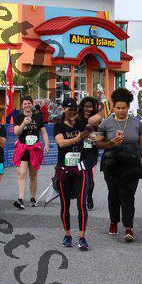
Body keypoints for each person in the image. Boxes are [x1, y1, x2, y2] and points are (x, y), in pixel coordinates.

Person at [96, 88, 142, 242]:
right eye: (117, 108)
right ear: (113, 107)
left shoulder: (136, 123)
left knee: (128, 195)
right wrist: (110, 143)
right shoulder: (106, 123)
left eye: (123, 108)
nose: (120, 111)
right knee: (113, 194)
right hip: (111, 163)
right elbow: (98, 144)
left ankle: (128, 227)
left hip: (131, 164)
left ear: (128, 107)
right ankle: (114, 222)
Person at [53, 97, 92, 250]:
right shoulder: (58, 126)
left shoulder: (81, 124)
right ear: (63, 110)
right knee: (65, 204)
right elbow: (61, 143)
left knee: (81, 203)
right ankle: (67, 235)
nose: (72, 113)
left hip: (80, 168)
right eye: (70, 110)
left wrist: (92, 138)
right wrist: (78, 137)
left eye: (75, 110)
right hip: (64, 170)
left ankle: (82, 237)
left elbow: (90, 138)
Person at [13, 95, 50, 209]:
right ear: (22, 105)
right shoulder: (19, 117)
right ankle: (20, 199)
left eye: (29, 103)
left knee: (33, 176)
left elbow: (43, 132)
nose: (27, 105)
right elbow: (16, 132)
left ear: (32, 104)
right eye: (25, 103)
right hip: (23, 148)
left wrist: (46, 144)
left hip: (35, 149)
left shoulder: (38, 116)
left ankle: (33, 198)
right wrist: (24, 123)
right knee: (22, 174)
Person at [78, 96, 103, 210]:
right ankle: (81, 196)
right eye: (86, 106)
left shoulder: (96, 119)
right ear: (82, 107)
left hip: (92, 152)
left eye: (91, 106)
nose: (88, 109)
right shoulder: (77, 119)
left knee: (89, 177)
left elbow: (101, 135)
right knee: (80, 176)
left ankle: (89, 197)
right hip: (79, 151)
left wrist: (95, 136)